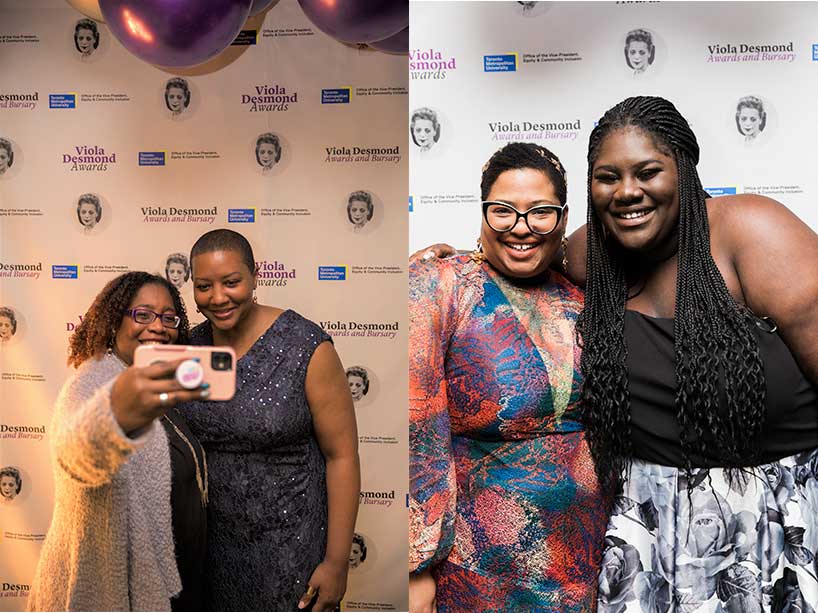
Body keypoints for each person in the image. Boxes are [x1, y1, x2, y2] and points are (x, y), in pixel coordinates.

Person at [575, 96, 818, 611]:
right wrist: (456, 257)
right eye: (607, 177)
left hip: (775, 528)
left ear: (684, 171)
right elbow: (523, 240)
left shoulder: (751, 230)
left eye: (648, 172)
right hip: (650, 537)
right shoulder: (595, 251)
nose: (627, 192)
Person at [409, 143, 609, 613]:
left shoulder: (585, 294)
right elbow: (417, 432)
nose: (521, 228)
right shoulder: (440, 286)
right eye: (503, 211)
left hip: (586, 560)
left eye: (540, 212)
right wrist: (415, 566)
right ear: (482, 212)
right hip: (481, 567)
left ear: (563, 218)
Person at [177, 229, 361, 612]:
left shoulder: (305, 346)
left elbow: (341, 456)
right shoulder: (189, 351)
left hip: (290, 550)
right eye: (204, 286)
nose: (218, 298)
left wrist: (337, 562)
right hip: (210, 553)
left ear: (255, 276)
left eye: (231, 282)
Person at [27, 272, 209, 612]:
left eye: (169, 318)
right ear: (113, 322)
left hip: (178, 582)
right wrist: (114, 416)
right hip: (117, 592)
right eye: (142, 314)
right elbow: (79, 450)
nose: (158, 326)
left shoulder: (162, 392)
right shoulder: (93, 384)